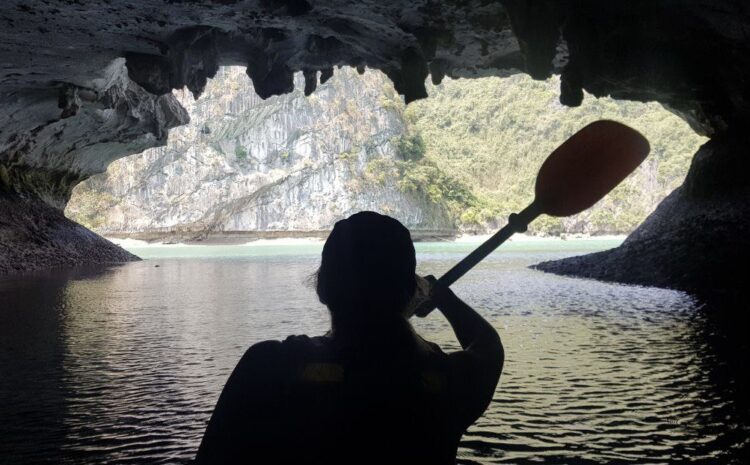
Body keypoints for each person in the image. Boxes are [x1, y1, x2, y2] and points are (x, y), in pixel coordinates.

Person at [195, 211, 504, 464]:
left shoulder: (268, 368)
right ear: (411, 292)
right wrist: (442, 295)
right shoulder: (448, 382)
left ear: (322, 289)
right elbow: (488, 346)